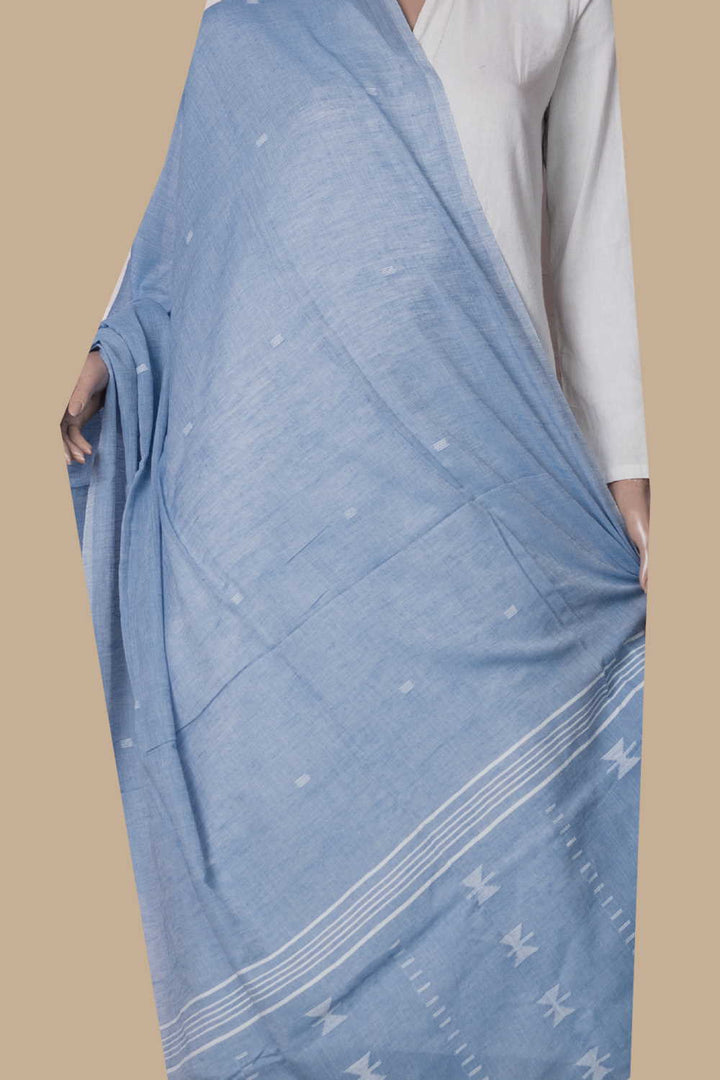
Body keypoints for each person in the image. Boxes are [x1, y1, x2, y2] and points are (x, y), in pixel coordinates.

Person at [61, 3, 649, 1077]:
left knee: (544, 868)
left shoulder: (557, 6)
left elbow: (590, 247)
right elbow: (189, 234)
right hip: (294, 513)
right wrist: (116, 349)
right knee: (295, 817)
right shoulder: (253, 24)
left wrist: (630, 474)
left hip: (501, 495)